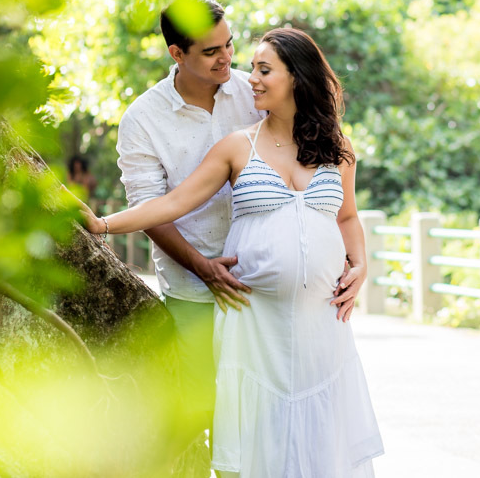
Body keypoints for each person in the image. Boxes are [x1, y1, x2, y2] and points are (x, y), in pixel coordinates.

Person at [80, 28, 383, 477]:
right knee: (255, 437)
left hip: (321, 322)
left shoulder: (338, 147)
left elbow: (347, 217)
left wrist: (361, 265)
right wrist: (102, 225)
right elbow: (172, 204)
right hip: (253, 320)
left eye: (264, 70)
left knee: (324, 439)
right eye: (254, 68)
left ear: (297, 78)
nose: (251, 79)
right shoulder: (238, 146)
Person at [114, 0, 264, 470]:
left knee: (261, 411)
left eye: (230, 45)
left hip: (262, 279)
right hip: (191, 288)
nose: (227, 58)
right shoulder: (142, 119)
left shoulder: (254, 93)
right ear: (177, 54)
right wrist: (203, 268)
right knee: (202, 407)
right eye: (211, 51)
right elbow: (150, 209)